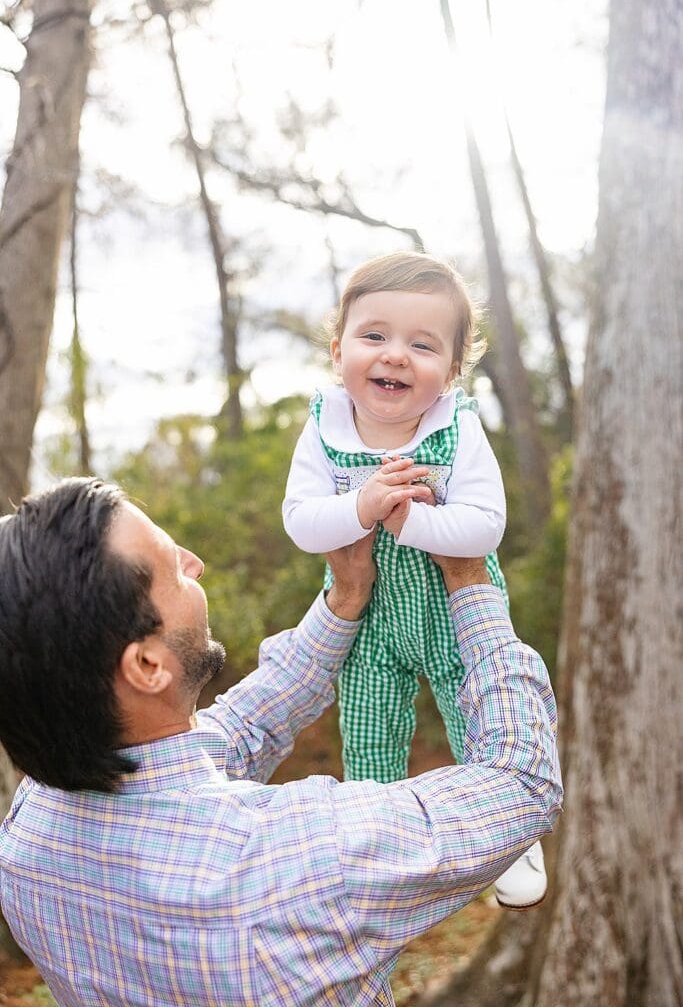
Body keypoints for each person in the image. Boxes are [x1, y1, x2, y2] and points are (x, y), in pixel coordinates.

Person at [0, 478, 561, 1006]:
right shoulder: (304, 858)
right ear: (147, 665)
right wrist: (470, 582)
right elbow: (520, 781)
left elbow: (240, 730)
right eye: (176, 569)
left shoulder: (26, 842)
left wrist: (345, 597)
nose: (196, 564)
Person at [283, 250, 545, 909]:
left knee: (480, 715)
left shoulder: (456, 430)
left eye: (421, 345)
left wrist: (407, 528)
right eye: (375, 336)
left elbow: (485, 526)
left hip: (452, 604)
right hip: (367, 615)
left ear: (452, 370)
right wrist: (360, 507)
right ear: (339, 349)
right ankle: (372, 850)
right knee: (368, 730)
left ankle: (510, 839)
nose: (395, 355)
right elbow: (302, 522)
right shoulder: (323, 429)